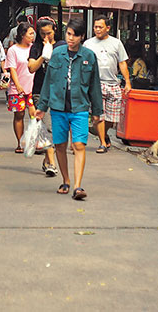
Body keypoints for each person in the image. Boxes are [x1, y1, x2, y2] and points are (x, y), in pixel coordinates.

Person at [35, 19, 103, 200]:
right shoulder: (57, 54)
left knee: (79, 145)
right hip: (58, 107)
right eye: (68, 34)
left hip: (80, 107)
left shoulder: (89, 56)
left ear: (82, 37)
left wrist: (97, 111)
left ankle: (78, 186)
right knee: (60, 145)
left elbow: (95, 85)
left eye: (75, 35)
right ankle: (66, 180)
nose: (71, 38)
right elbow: (48, 82)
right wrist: (41, 107)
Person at [83, 16, 131, 154]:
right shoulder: (88, 44)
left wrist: (127, 82)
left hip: (113, 84)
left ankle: (103, 134)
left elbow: (122, 62)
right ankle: (103, 143)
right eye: (95, 27)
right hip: (96, 84)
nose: (97, 29)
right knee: (99, 116)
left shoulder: (116, 43)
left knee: (112, 118)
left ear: (107, 28)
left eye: (100, 27)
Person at [28, 17, 62, 177]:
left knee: (59, 129)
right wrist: (43, 55)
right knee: (48, 127)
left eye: (48, 33)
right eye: (42, 34)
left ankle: (46, 161)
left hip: (60, 93)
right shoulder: (35, 47)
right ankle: (52, 163)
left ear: (55, 30)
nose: (46, 37)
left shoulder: (62, 46)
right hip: (40, 92)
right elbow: (31, 68)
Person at [5, 22, 36, 153]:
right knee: (19, 114)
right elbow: (12, 69)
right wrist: (17, 85)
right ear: (22, 35)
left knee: (34, 114)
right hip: (17, 87)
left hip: (32, 87)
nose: (32, 35)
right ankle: (20, 142)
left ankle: (34, 140)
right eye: (30, 33)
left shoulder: (34, 48)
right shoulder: (13, 50)